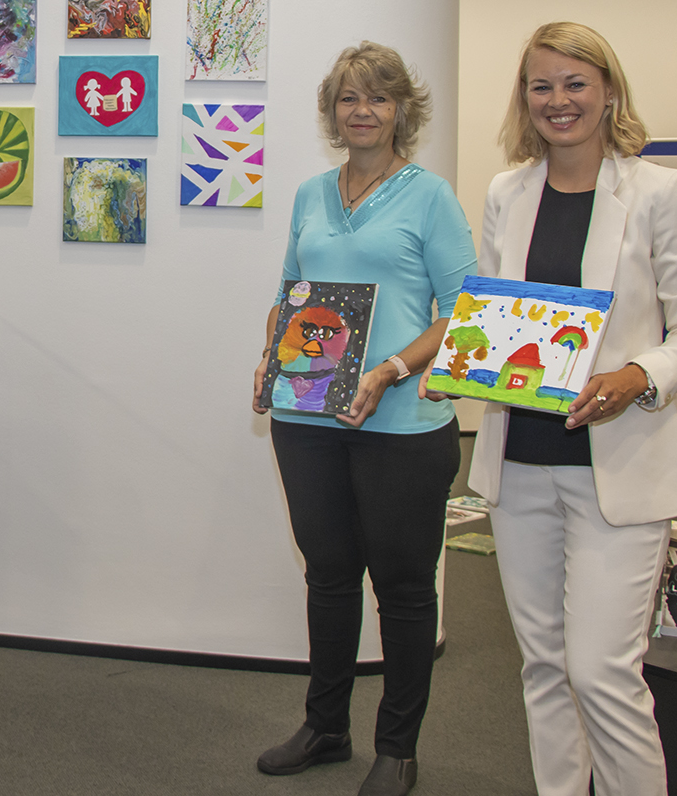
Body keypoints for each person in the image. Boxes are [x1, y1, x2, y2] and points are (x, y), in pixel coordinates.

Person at [457, 21, 677, 796]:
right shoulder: (506, 192)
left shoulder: (657, 192)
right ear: (524, 96)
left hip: (620, 468)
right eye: (541, 85)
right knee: (542, 666)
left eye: (574, 83)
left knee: (601, 672)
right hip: (519, 464)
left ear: (607, 92)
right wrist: (461, 366)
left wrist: (638, 373)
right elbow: (495, 317)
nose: (558, 100)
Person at [251, 41, 476, 796]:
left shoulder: (430, 197)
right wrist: (269, 355)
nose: (362, 111)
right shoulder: (311, 194)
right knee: (328, 576)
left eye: (378, 97)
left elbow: (463, 312)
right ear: (332, 110)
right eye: (348, 98)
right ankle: (325, 728)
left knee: (404, 589)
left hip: (401, 424)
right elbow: (291, 291)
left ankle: (397, 748)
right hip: (308, 417)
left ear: (401, 110)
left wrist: (390, 370)